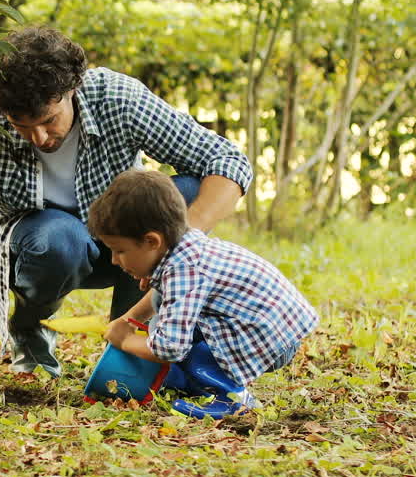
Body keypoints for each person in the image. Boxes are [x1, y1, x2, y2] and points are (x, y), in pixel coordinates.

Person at [0, 26, 253, 377]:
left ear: (72, 88)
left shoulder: (117, 98)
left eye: (48, 121)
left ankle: (132, 342)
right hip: (40, 248)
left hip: (119, 242)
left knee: (185, 194)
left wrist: (183, 245)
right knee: (61, 238)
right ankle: (31, 330)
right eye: (21, 126)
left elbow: (227, 161)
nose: (39, 138)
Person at [87, 168, 318, 415]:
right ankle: (187, 381)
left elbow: (171, 348)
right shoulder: (183, 246)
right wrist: (127, 320)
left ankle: (233, 398)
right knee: (162, 320)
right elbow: (160, 298)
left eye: (120, 250)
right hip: (271, 325)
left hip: (269, 337)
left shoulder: (183, 270)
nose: (113, 260)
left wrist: (125, 340)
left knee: (181, 346)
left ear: (152, 242)